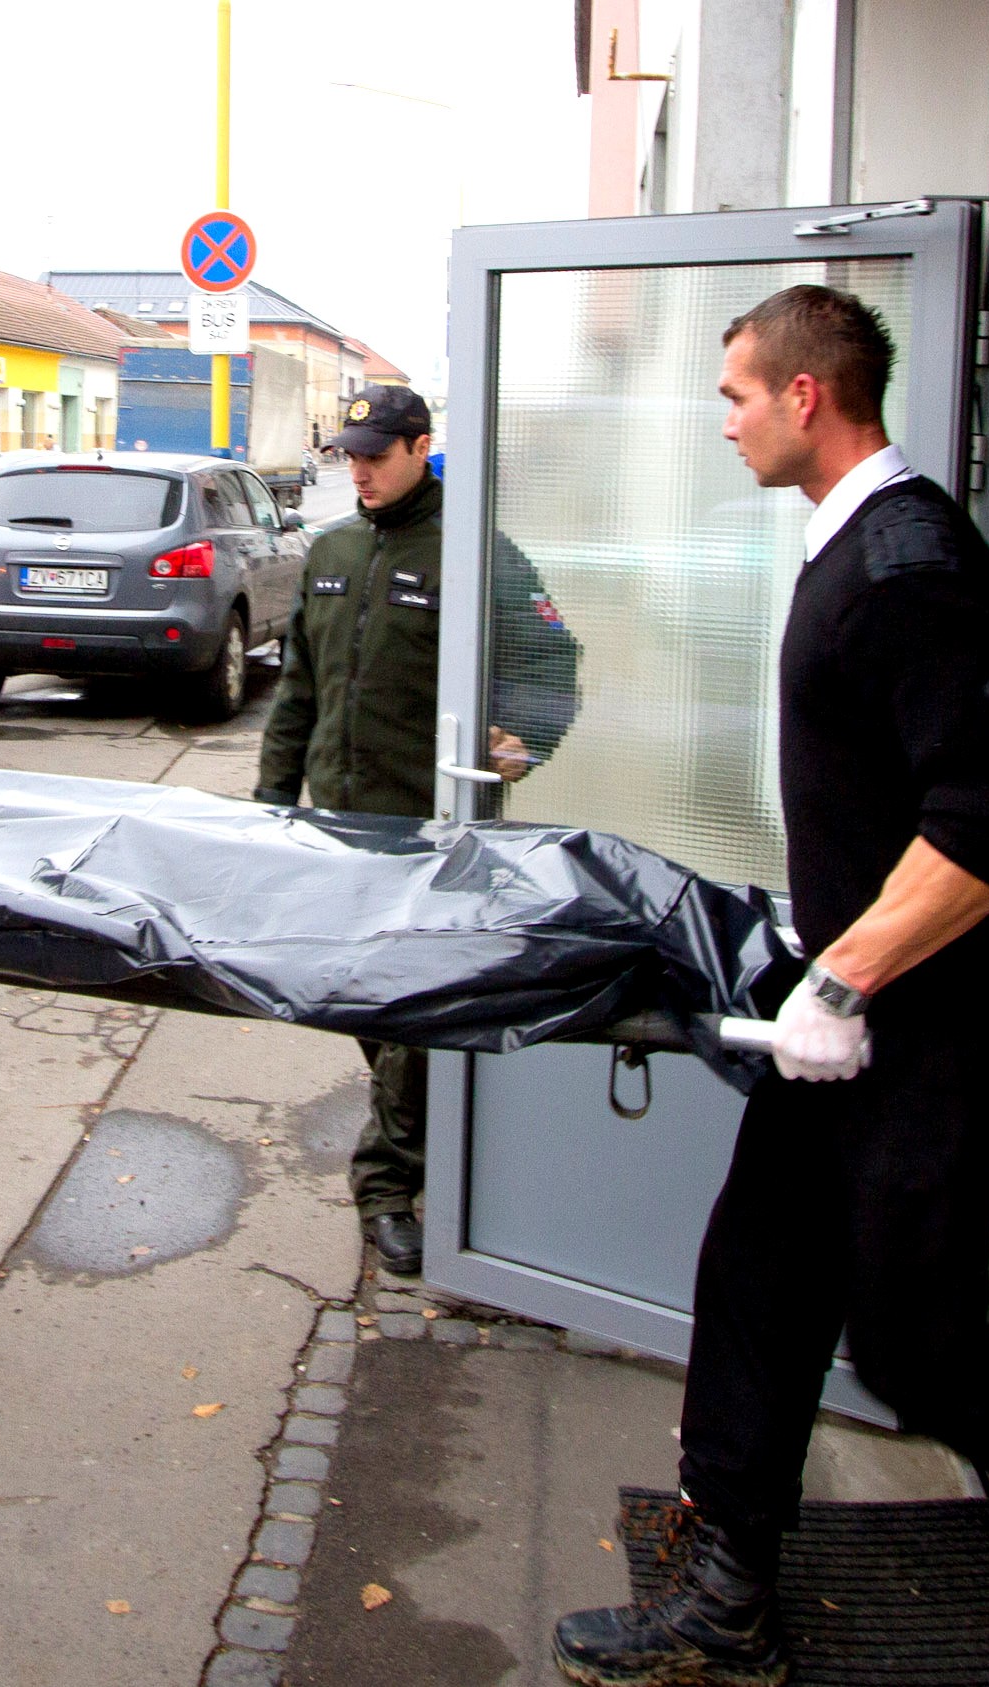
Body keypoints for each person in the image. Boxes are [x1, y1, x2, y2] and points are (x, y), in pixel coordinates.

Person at [551, 286, 989, 1685]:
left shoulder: (909, 565)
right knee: (758, 1269)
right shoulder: (846, 544)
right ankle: (725, 1593)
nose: (726, 422)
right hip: (843, 1022)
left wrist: (848, 979)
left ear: (806, 396)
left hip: (928, 1038)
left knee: (916, 1349)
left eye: (737, 395)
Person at [254, 383, 579, 1278]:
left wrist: (522, 741)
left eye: (375, 456)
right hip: (339, 827)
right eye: (350, 457)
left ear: (420, 447)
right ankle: (430, 1141)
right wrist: (272, 806)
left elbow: (554, 661)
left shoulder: (475, 553)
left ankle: (386, 1185)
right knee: (367, 1004)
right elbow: (298, 691)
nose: (359, 472)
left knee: (412, 1014)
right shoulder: (333, 549)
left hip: (433, 832)